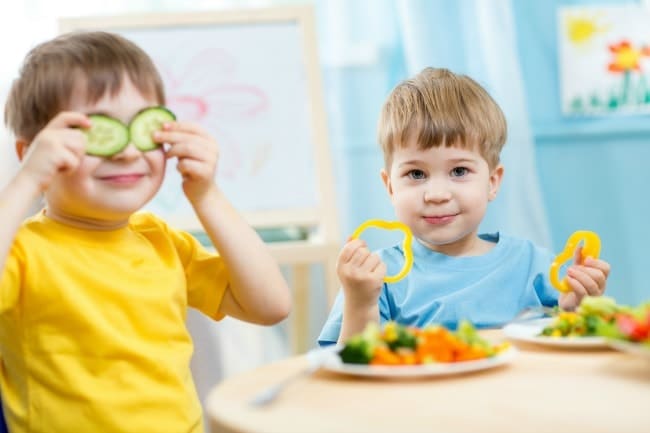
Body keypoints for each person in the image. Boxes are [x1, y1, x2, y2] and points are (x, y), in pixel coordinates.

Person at [0, 31, 291, 433]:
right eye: (95, 133)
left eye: (142, 127)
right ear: (30, 152)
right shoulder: (21, 251)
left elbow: (270, 305)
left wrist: (206, 195)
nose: (126, 151)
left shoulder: (160, 240)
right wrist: (25, 180)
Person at [318, 67, 610, 346]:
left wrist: (579, 310)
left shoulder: (535, 266)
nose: (436, 194)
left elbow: (573, 356)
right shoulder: (375, 279)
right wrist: (360, 303)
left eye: (458, 171)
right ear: (390, 187)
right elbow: (349, 373)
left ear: (492, 182)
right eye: (416, 174)